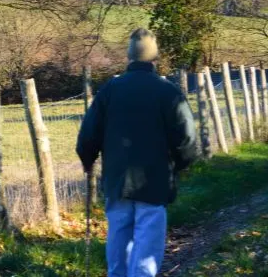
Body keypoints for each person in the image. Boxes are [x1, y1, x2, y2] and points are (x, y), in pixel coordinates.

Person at [76, 28, 201, 277]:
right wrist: (180, 165)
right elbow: (186, 140)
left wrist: (87, 160)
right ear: (155, 58)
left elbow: (89, 133)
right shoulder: (168, 92)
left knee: (118, 236)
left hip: (117, 179)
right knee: (147, 243)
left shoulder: (110, 90)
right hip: (154, 180)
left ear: (129, 56)